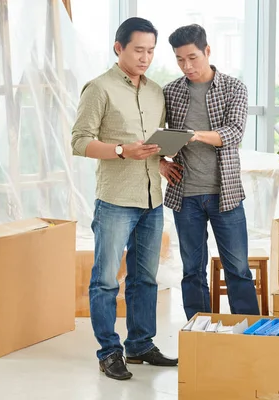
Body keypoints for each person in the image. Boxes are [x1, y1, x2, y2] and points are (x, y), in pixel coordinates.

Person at [71, 17, 177, 381]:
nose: (145, 57)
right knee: (105, 280)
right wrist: (120, 150)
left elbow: (151, 141)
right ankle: (109, 351)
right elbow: (80, 141)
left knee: (145, 278)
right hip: (116, 199)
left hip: (151, 198)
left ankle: (141, 345)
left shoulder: (156, 91)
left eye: (150, 50)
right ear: (119, 48)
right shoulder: (98, 88)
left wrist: (160, 160)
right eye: (138, 50)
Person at [159, 24, 260, 320]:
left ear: (207, 51)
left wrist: (194, 135)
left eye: (193, 57)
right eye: (180, 59)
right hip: (185, 195)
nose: (187, 66)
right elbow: (150, 136)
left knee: (238, 269)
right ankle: (200, 336)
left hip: (224, 194)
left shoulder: (233, 87)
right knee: (192, 271)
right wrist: (161, 164)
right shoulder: (171, 92)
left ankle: (250, 336)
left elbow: (234, 133)